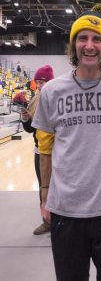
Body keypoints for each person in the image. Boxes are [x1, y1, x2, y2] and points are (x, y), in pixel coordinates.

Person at [32, 4, 101, 281]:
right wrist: (45, 193)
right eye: (83, 38)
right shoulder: (53, 91)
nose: (89, 46)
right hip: (65, 208)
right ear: (73, 44)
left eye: (97, 39)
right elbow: (45, 149)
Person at [21, 65, 54, 235]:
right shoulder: (34, 100)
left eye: (43, 81)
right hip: (39, 151)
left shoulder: (55, 98)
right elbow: (29, 130)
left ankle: (60, 222)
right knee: (43, 186)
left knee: (57, 187)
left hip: (56, 153)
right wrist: (26, 120)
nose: (40, 85)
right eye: (38, 82)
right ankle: (46, 220)